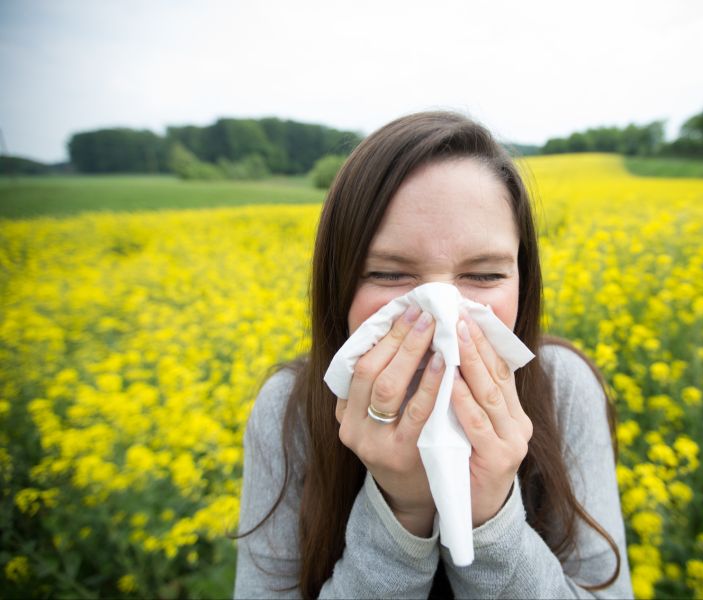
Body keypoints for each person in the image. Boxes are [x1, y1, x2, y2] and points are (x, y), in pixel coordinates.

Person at [234, 111, 633, 599]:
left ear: (523, 281)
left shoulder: (562, 387)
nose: (442, 314)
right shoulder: (287, 410)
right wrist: (400, 511)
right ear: (338, 283)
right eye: (388, 274)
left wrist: (490, 518)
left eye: (484, 276)